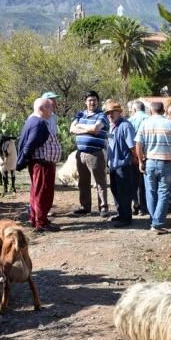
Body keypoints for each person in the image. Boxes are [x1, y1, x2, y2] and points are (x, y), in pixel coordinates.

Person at [135, 101, 171, 234]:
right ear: (163, 111)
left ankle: (154, 221)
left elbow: (138, 144)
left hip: (149, 162)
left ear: (151, 111)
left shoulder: (145, 124)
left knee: (150, 192)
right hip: (165, 163)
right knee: (163, 193)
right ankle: (157, 222)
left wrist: (140, 161)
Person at [16, 98, 61, 233]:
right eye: (49, 107)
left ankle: (37, 219)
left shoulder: (33, 121)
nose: (52, 110)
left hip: (41, 163)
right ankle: (41, 222)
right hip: (42, 164)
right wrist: (22, 160)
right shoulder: (39, 123)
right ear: (42, 109)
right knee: (43, 193)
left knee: (37, 192)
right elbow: (30, 144)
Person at [70, 90, 110, 217]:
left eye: (94, 100)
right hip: (80, 153)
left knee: (100, 182)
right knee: (83, 182)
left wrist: (80, 128)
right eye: (89, 100)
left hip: (95, 153)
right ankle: (85, 206)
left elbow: (96, 129)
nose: (92, 102)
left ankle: (103, 208)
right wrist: (88, 129)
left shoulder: (102, 116)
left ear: (98, 102)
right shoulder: (80, 114)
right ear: (85, 102)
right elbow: (72, 129)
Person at [105, 100, 137, 228]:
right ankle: (121, 214)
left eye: (112, 112)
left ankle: (126, 218)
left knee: (124, 193)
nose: (110, 115)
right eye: (108, 113)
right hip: (113, 165)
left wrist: (135, 160)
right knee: (115, 191)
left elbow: (133, 147)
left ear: (119, 112)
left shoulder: (125, 126)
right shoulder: (112, 126)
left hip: (123, 166)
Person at [129, 100, 149, 215]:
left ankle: (135, 205)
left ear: (135, 109)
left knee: (134, 182)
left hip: (133, 156)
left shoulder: (130, 121)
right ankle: (144, 207)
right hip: (147, 156)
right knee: (145, 183)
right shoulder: (149, 119)